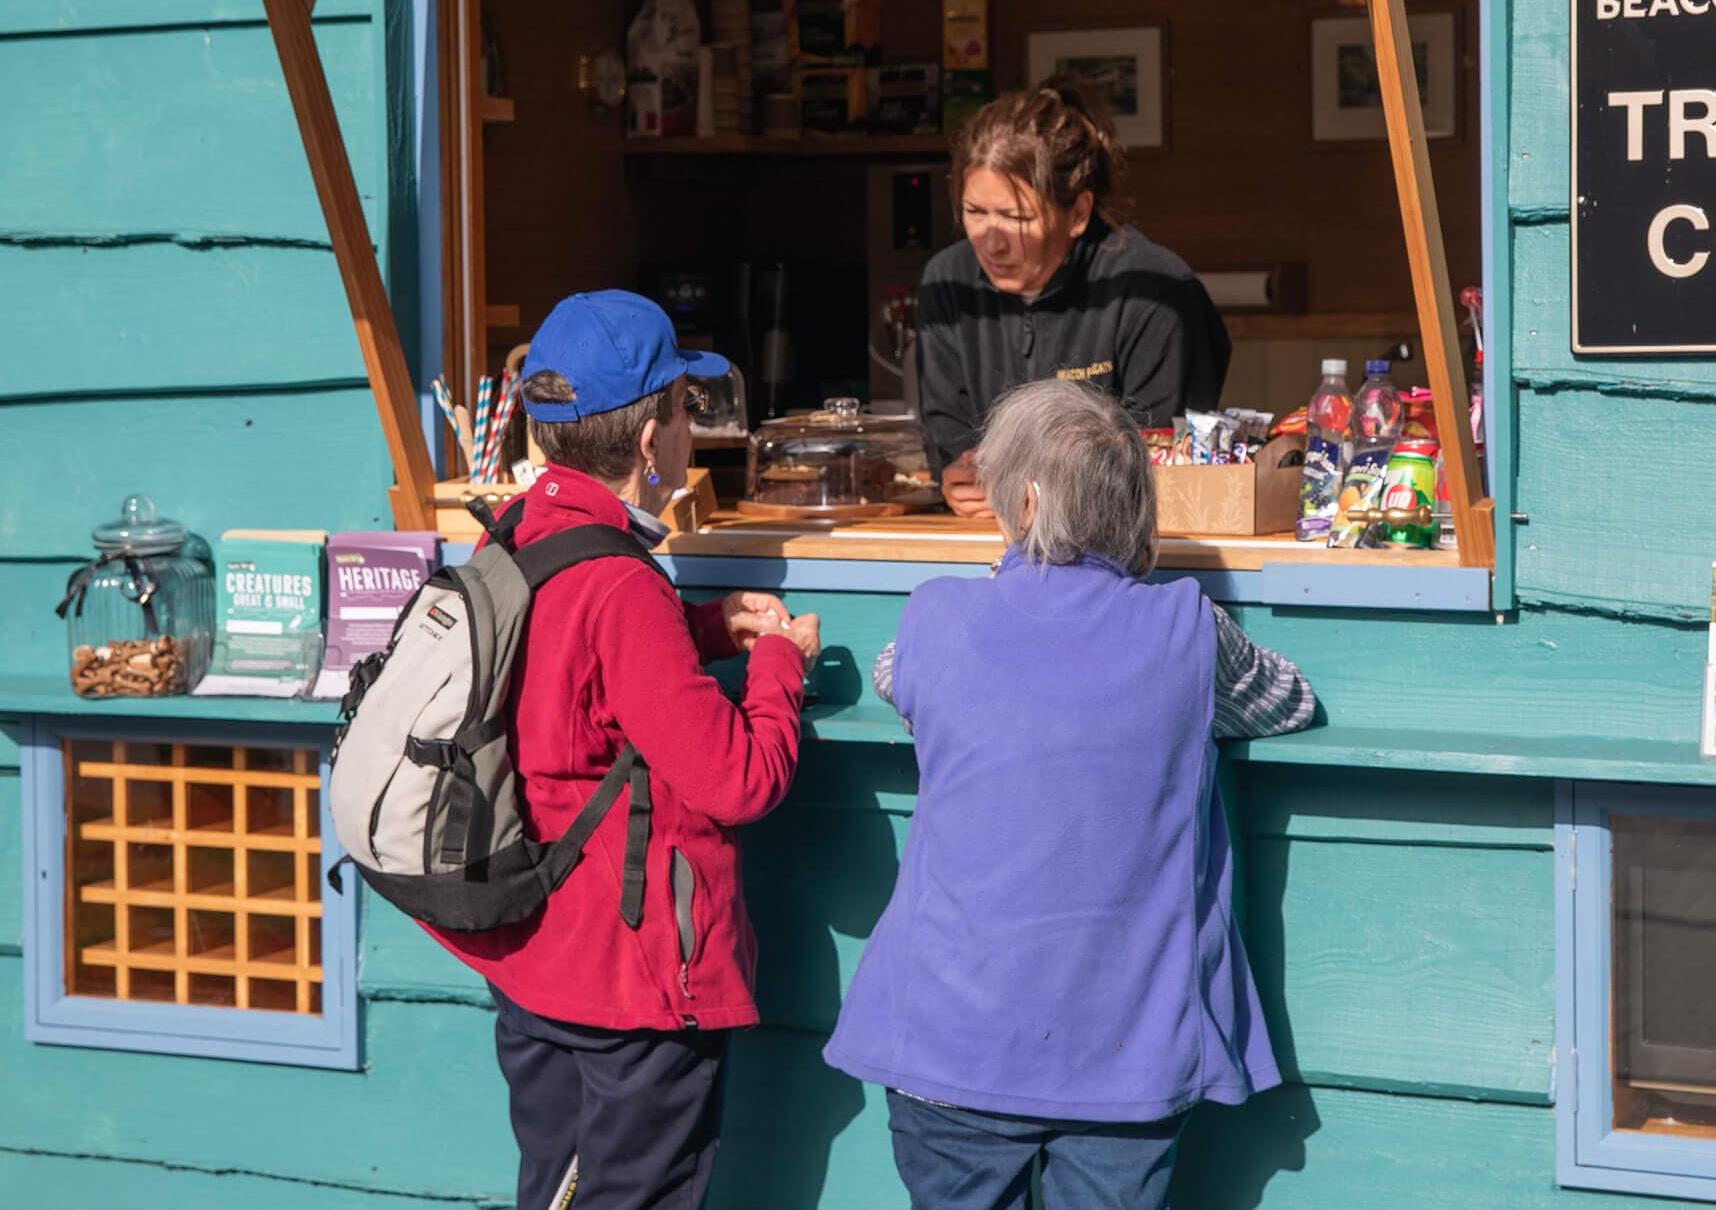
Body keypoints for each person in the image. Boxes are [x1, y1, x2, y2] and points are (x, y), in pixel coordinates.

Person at [824, 380, 1318, 1210]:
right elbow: (1289, 698)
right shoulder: (1189, 629)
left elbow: (894, 677)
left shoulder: (940, 619)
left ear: (1022, 501)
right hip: (1128, 1055)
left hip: (948, 1045)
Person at [425, 290, 823, 1210]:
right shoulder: (621, 583)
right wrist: (775, 664)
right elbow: (738, 778)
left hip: (532, 963)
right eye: (686, 409)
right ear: (653, 443)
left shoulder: (517, 533)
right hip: (629, 981)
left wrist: (706, 627)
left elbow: (576, 675)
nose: (690, 428)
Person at [916, 87, 1230, 518]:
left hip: (1118, 550)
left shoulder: (1157, 292)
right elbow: (947, 433)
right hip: (982, 540)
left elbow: (1162, 460)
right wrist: (960, 477)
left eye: (1016, 218)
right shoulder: (946, 284)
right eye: (975, 212)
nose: (991, 241)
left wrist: (1030, 493)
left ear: (1079, 212)